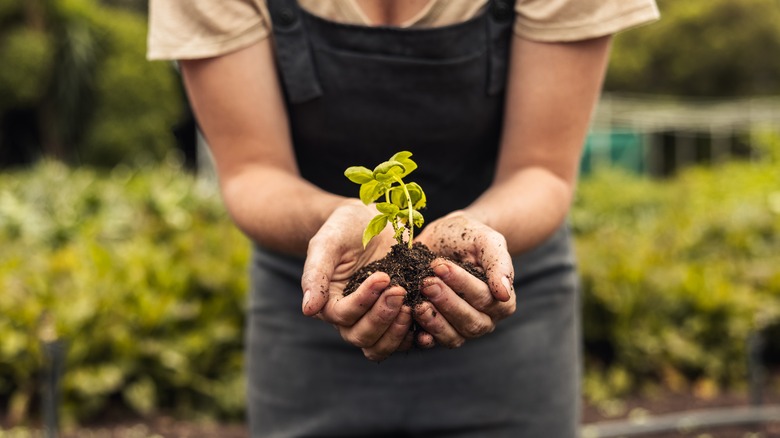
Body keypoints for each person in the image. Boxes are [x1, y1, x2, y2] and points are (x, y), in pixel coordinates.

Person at [148, 1, 658, 436]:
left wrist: (476, 228)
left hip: (507, 296)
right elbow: (252, 171)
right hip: (315, 298)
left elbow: (541, 168)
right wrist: (337, 217)